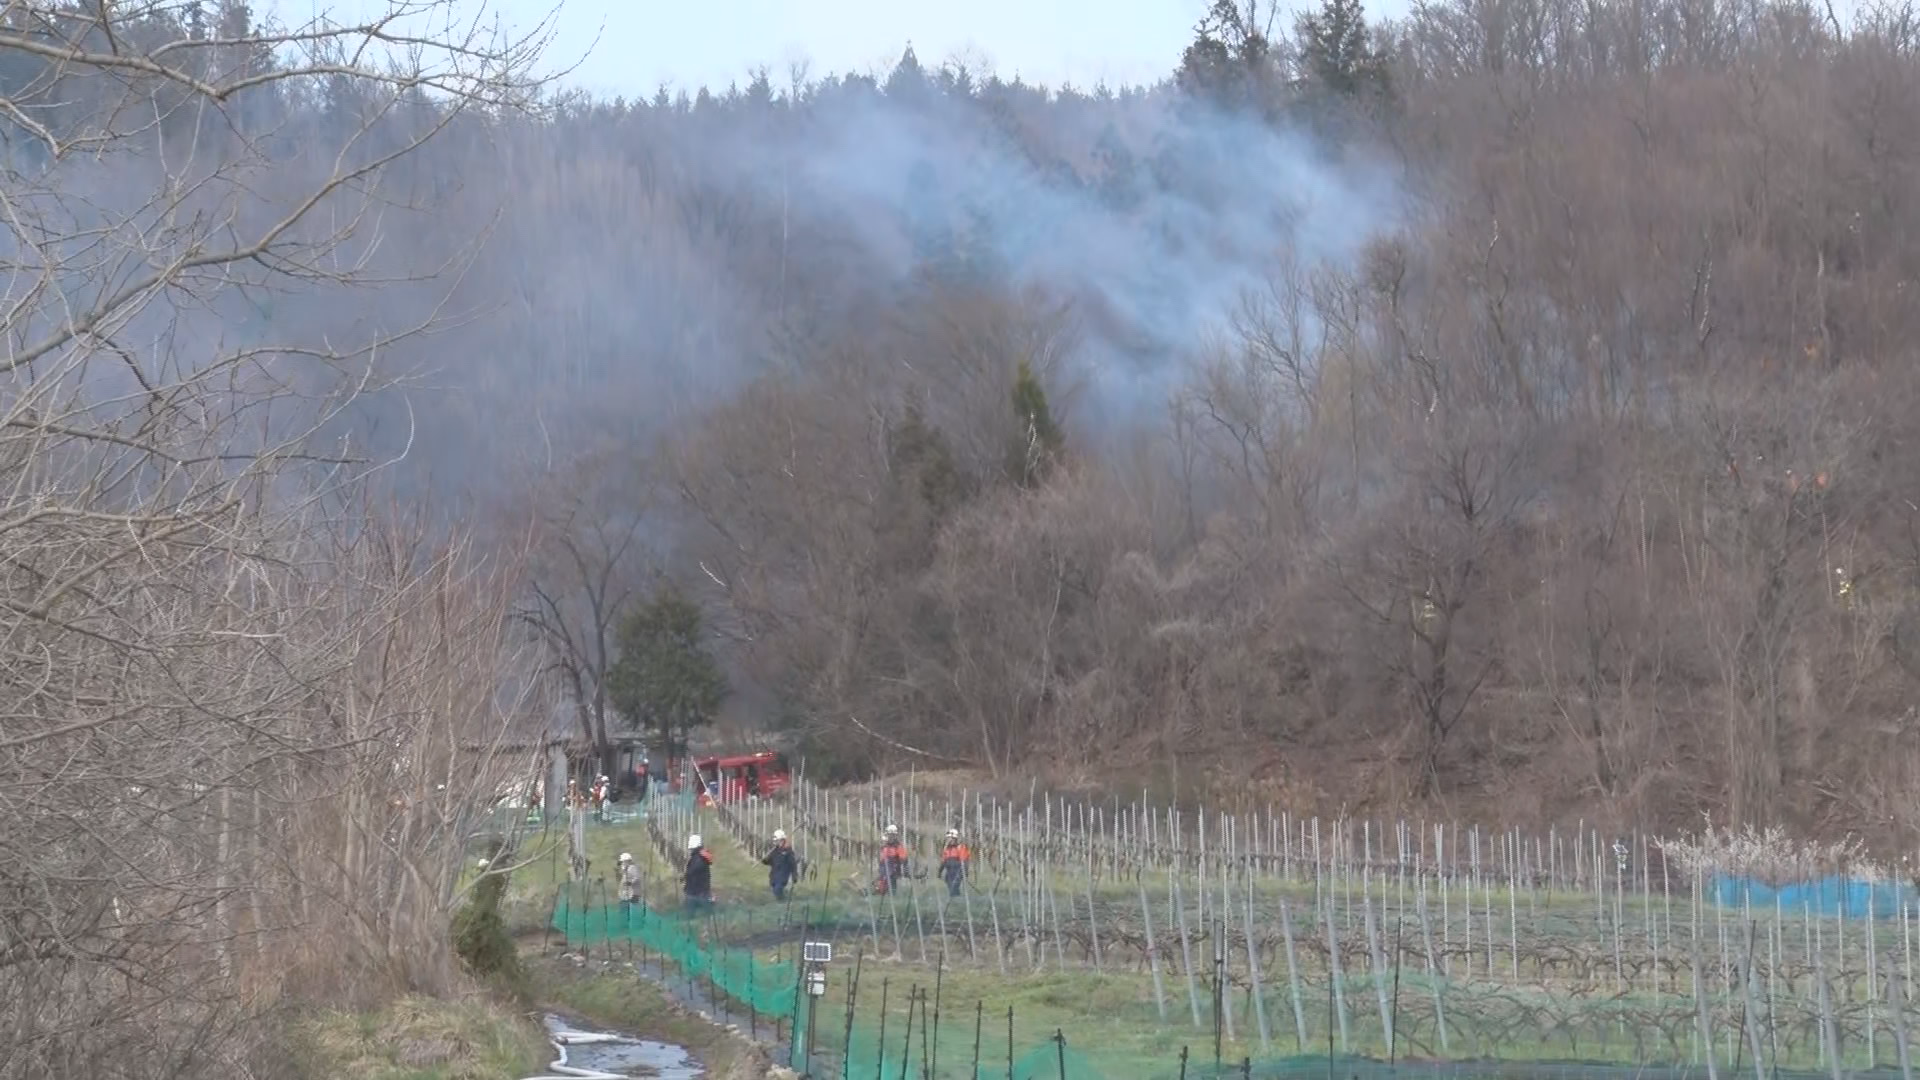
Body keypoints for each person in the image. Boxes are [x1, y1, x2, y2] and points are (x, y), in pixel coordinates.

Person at [761, 828, 799, 901]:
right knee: (775, 890)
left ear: (782, 840)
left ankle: (782, 902)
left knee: (777, 890)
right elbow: (771, 861)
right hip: (774, 876)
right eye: (775, 841)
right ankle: (782, 901)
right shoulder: (774, 851)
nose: (775, 842)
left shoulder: (788, 851)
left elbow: (793, 864)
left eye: (777, 841)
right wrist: (765, 861)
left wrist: (794, 875)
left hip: (783, 875)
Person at [682, 834, 714, 912]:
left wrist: (685, 877)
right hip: (703, 890)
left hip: (695, 891)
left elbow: (692, 872)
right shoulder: (701, 857)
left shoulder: (698, 859)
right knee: (707, 912)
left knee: (690, 913)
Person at [877, 824, 910, 894]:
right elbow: (881, 860)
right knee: (881, 888)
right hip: (883, 872)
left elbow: (904, 860)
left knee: (891, 890)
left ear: (895, 836)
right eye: (888, 835)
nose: (889, 837)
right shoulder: (884, 847)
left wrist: (903, 870)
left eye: (891, 835)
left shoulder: (898, 847)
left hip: (893, 872)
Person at [938, 828, 970, 898]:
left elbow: (964, 861)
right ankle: (955, 898)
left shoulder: (960, 848)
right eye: (948, 839)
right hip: (949, 872)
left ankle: (955, 898)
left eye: (950, 839)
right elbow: (943, 861)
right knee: (950, 885)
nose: (948, 840)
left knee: (954, 885)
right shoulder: (946, 849)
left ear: (955, 839)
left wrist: (965, 873)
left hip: (957, 871)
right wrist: (939, 872)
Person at [616, 851, 642, 921]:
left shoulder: (632, 868)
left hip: (633, 894)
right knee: (624, 910)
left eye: (623, 862)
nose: (622, 864)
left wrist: (630, 883)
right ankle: (624, 922)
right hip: (626, 894)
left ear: (627, 861)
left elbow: (637, 878)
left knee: (632, 911)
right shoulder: (626, 870)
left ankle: (630, 922)